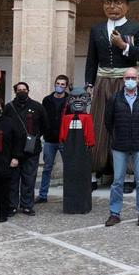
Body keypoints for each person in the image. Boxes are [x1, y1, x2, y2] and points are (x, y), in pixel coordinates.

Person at [85, 0, 139, 187]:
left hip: (127, 81)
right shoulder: (96, 30)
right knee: (99, 124)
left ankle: (129, 175)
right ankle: (96, 172)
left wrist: (124, 46)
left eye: (118, 2)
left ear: (127, 6)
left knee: (128, 123)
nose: (112, 6)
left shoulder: (136, 28)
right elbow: (91, 59)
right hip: (103, 80)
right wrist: (89, 83)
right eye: (108, 2)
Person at [104, 67, 139, 227]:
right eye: (128, 77)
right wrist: (115, 134)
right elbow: (108, 121)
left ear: (138, 79)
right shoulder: (114, 98)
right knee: (117, 182)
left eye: (133, 77)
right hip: (119, 145)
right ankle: (114, 213)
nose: (130, 80)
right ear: (123, 80)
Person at [7, 81, 45, 216]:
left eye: (24, 89)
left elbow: (44, 125)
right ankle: (12, 205)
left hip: (32, 150)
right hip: (13, 151)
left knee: (29, 179)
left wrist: (35, 137)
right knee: (13, 180)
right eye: (19, 90)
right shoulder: (9, 108)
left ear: (28, 91)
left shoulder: (37, 107)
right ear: (15, 92)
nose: (21, 92)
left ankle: (27, 205)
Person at [60, 91, 95, 214]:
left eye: (81, 98)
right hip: (70, 151)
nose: (77, 101)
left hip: (83, 151)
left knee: (82, 177)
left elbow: (90, 137)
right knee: (70, 178)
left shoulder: (87, 118)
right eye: (74, 98)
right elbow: (63, 136)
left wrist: (88, 146)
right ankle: (70, 205)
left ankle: (82, 205)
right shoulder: (66, 118)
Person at [37, 74, 70, 204]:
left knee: (69, 167)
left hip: (64, 139)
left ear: (66, 87)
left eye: (62, 84)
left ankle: (69, 194)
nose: (60, 86)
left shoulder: (69, 100)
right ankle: (43, 195)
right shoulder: (47, 100)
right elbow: (42, 118)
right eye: (58, 83)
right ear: (54, 84)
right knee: (47, 167)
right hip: (50, 139)